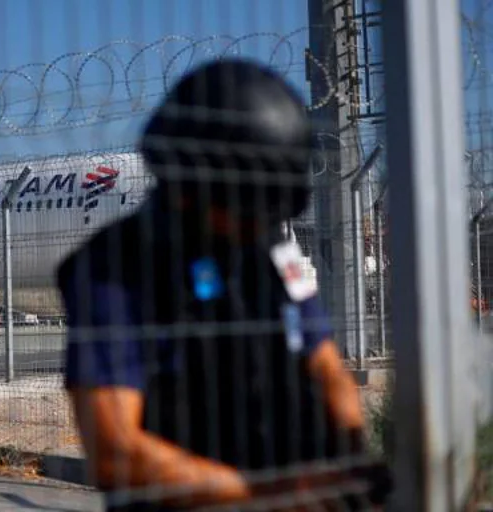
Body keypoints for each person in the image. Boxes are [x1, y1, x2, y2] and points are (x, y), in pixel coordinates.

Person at [56, 58, 391, 511]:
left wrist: (350, 459)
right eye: (250, 207)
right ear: (191, 187)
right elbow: (115, 452)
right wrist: (268, 495)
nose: (264, 224)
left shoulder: (269, 244)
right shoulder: (113, 269)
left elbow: (326, 366)